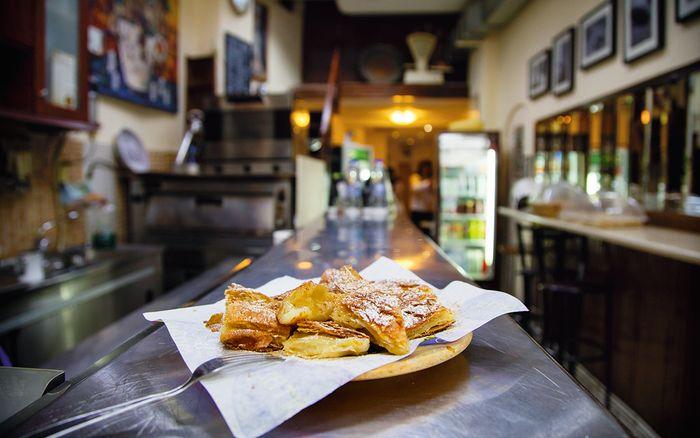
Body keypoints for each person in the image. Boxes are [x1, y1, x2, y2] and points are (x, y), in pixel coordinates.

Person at [409, 160, 435, 238]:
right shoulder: (415, 177)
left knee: (428, 234)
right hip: (417, 211)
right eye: (425, 168)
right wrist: (429, 182)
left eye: (428, 168)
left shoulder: (431, 179)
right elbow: (414, 188)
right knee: (417, 234)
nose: (426, 170)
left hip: (428, 211)